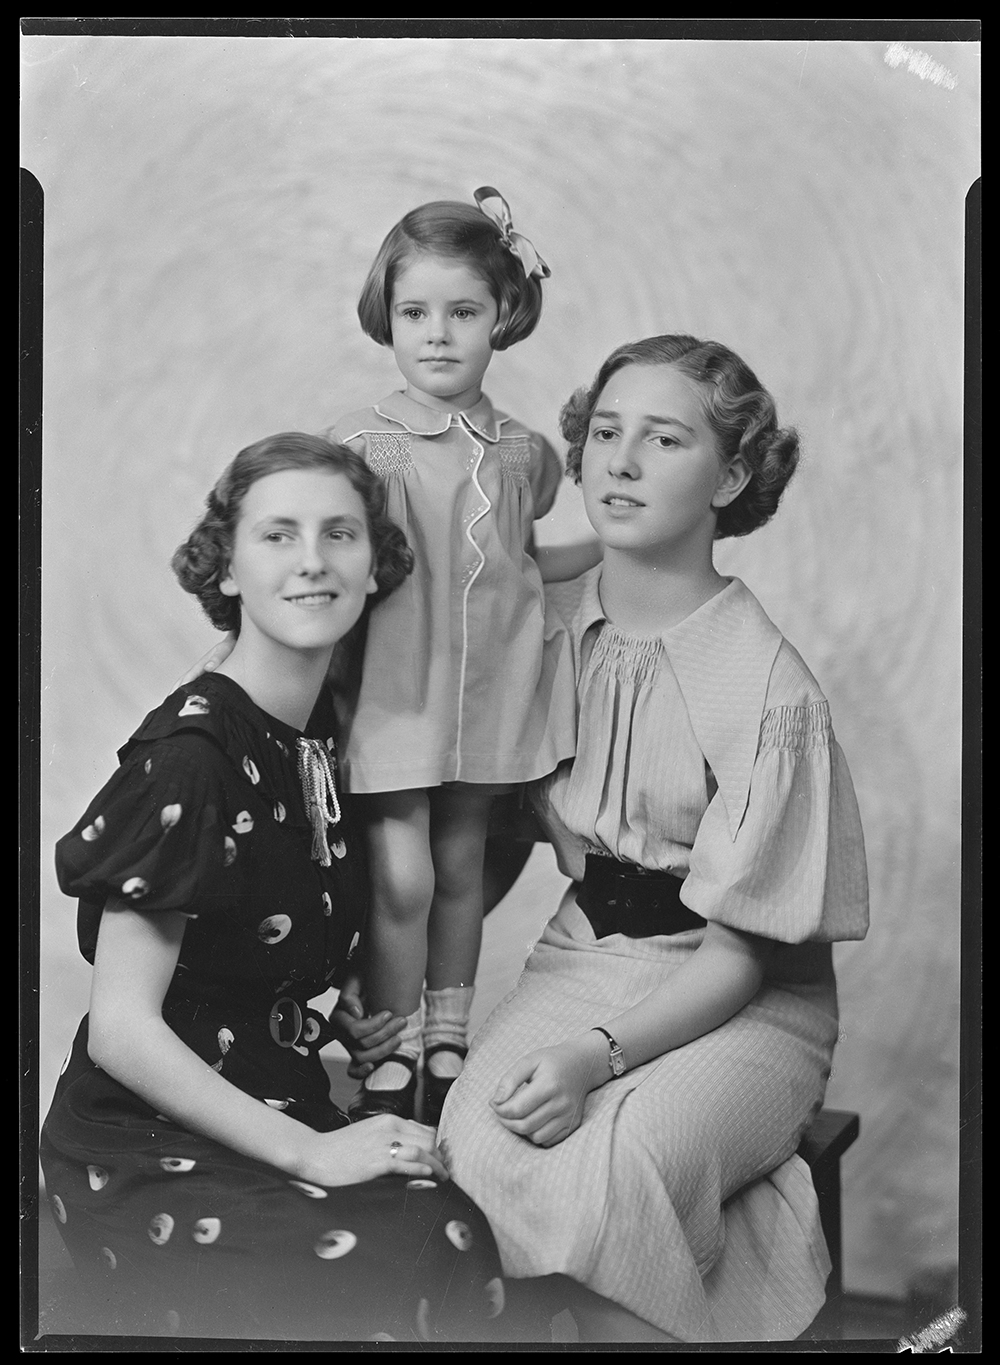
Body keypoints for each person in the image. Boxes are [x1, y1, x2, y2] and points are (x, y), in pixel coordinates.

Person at [437, 335, 870, 1344]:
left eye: (663, 439)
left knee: (615, 1165)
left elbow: (743, 957)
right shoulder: (539, 628)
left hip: (745, 998)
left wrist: (595, 1059)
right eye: (604, 433)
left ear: (731, 476)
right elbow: (484, 832)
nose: (618, 462)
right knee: (474, 1141)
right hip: (583, 959)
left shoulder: (768, 691)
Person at [39, 434, 511, 1343]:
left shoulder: (314, 739)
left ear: (375, 567)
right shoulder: (194, 757)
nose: (311, 561)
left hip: (267, 1096)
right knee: (406, 1254)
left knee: (452, 1225)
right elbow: (125, 1028)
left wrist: (325, 1013)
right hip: (143, 1146)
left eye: (340, 535)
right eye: (278, 535)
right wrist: (318, 1152)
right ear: (227, 570)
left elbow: (236, 942)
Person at [319, 186, 587, 1125]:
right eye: (415, 313)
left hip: (491, 697)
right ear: (386, 318)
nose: (437, 334)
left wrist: (618, 547)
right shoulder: (361, 448)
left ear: (502, 316)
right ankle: (388, 1043)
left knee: (465, 865)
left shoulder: (523, 454)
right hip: (398, 694)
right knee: (405, 875)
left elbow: (520, 560)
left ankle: (447, 1032)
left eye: (462, 312)